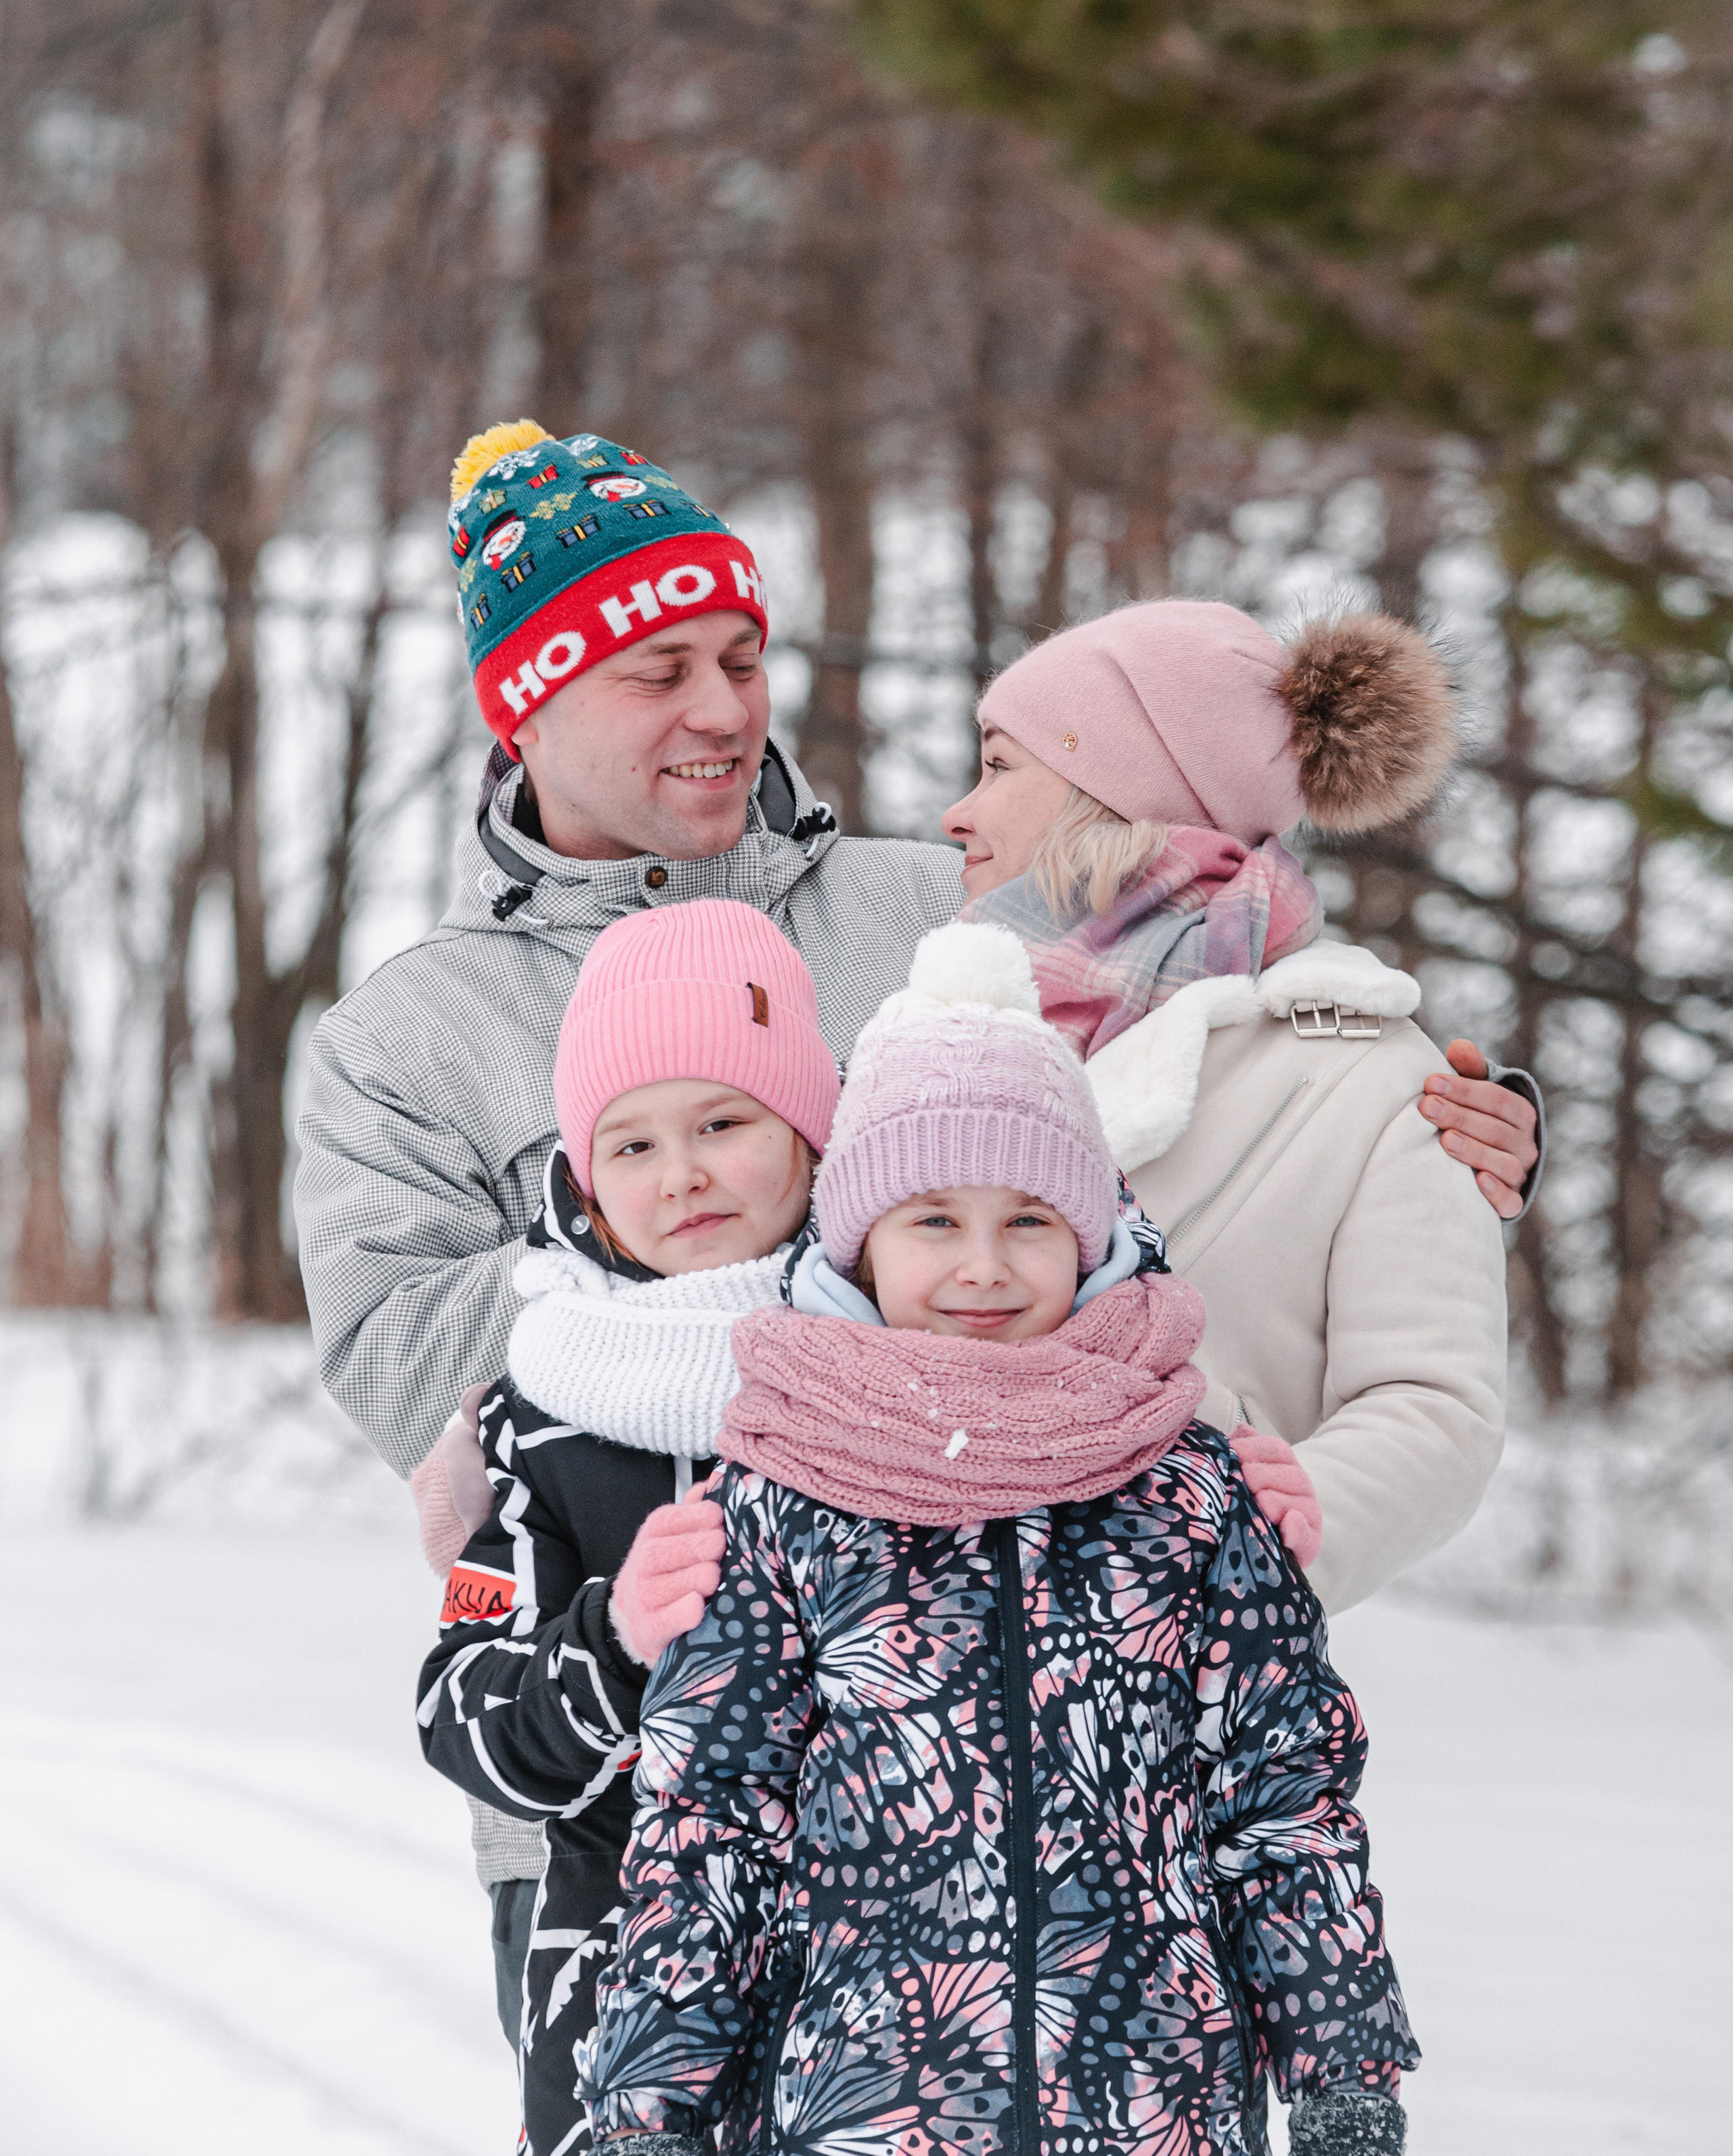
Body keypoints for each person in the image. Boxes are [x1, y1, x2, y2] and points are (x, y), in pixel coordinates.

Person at [294, 419, 1536, 2023]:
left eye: (742, 654)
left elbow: (1219, 1009)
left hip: (972, 1795)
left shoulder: (933, 916)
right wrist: (719, 1253)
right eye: (657, 669)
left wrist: (1461, 1123)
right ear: (526, 700)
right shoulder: (406, 1038)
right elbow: (399, 1361)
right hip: (625, 1796)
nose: (724, 708)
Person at [582, 923, 1418, 2156]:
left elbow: (1284, 1800)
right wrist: (650, 2109)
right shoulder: (783, 1495)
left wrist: (1346, 2071)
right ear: (860, 1241)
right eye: (933, 1220)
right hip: (863, 2116)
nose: (983, 1266)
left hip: (1158, 2113)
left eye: (1029, 1218)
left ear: (1088, 1231)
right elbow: (712, 1828)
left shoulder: (1185, 1487)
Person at [946, 600, 1527, 1610]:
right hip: (901, 1671)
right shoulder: (939, 1011)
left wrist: (1238, 1557)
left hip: (1180, 1690)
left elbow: (1433, 1407)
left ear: (1117, 786)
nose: (960, 810)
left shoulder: (1379, 1073)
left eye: (1000, 765)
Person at [416, 900, 843, 2156]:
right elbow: (460, 1715)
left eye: (724, 1123)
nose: (683, 1174)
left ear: (813, 1132)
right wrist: (609, 1642)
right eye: (635, 1143)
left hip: (885, 1969)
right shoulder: (540, 1403)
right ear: (587, 1177)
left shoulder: (905, 1349)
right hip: (623, 1972)